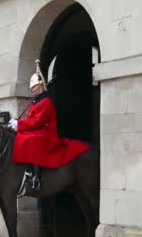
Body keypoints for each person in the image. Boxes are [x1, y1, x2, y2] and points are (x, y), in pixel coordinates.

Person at [8, 60, 90, 192]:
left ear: (41, 86)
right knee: (19, 137)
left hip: (46, 132)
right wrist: (18, 125)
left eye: (34, 87)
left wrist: (19, 124)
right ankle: (26, 170)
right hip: (37, 130)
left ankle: (35, 178)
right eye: (31, 87)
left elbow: (37, 121)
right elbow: (31, 120)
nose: (32, 90)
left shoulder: (46, 102)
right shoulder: (36, 101)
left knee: (31, 140)